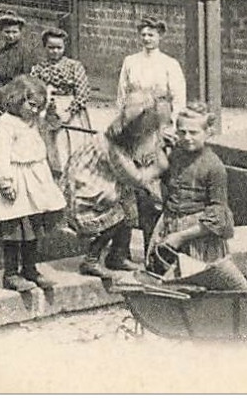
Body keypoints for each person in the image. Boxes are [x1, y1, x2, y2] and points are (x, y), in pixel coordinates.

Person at [61, 89, 168, 279]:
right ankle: (91, 260)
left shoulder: (120, 136)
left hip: (96, 185)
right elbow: (136, 177)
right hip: (84, 194)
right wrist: (160, 166)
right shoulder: (113, 147)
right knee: (121, 213)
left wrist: (158, 140)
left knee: (128, 203)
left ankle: (117, 255)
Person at [150, 107, 247, 291]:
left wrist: (181, 237)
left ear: (208, 133)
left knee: (197, 286)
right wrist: (159, 147)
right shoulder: (175, 155)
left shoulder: (214, 167)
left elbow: (219, 217)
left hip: (197, 237)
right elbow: (158, 177)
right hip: (170, 224)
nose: (187, 137)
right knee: (166, 284)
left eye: (194, 132)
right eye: (182, 132)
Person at [115, 15, 187, 247]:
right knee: (135, 179)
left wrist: (172, 126)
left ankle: (158, 245)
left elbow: (179, 97)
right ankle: (134, 244)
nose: (147, 38)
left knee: (158, 181)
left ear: (160, 36)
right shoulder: (130, 61)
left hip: (160, 121)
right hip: (136, 122)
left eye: (151, 34)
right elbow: (121, 94)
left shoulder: (169, 63)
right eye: (143, 34)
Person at [0, 75, 65, 293]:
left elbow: (52, 125)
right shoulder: (5, 125)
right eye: (31, 105)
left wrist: (49, 109)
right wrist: (5, 181)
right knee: (14, 227)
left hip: (34, 178)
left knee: (33, 226)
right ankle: (11, 273)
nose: (34, 110)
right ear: (17, 99)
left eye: (37, 107)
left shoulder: (33, 122)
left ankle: (30, 269)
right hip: (16, 177)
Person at [32, 27, 91, 177]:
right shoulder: (39, 68)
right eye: (51, 48)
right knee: (47, 147)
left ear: (64, 48)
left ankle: (71, 181)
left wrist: (69, 112)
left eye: (59, 48)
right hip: (46, 110)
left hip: (69, 111)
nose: (55, 51)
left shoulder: (74, 66)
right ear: (45, 47)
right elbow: (33, 90)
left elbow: (82, 92)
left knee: (69, 146)